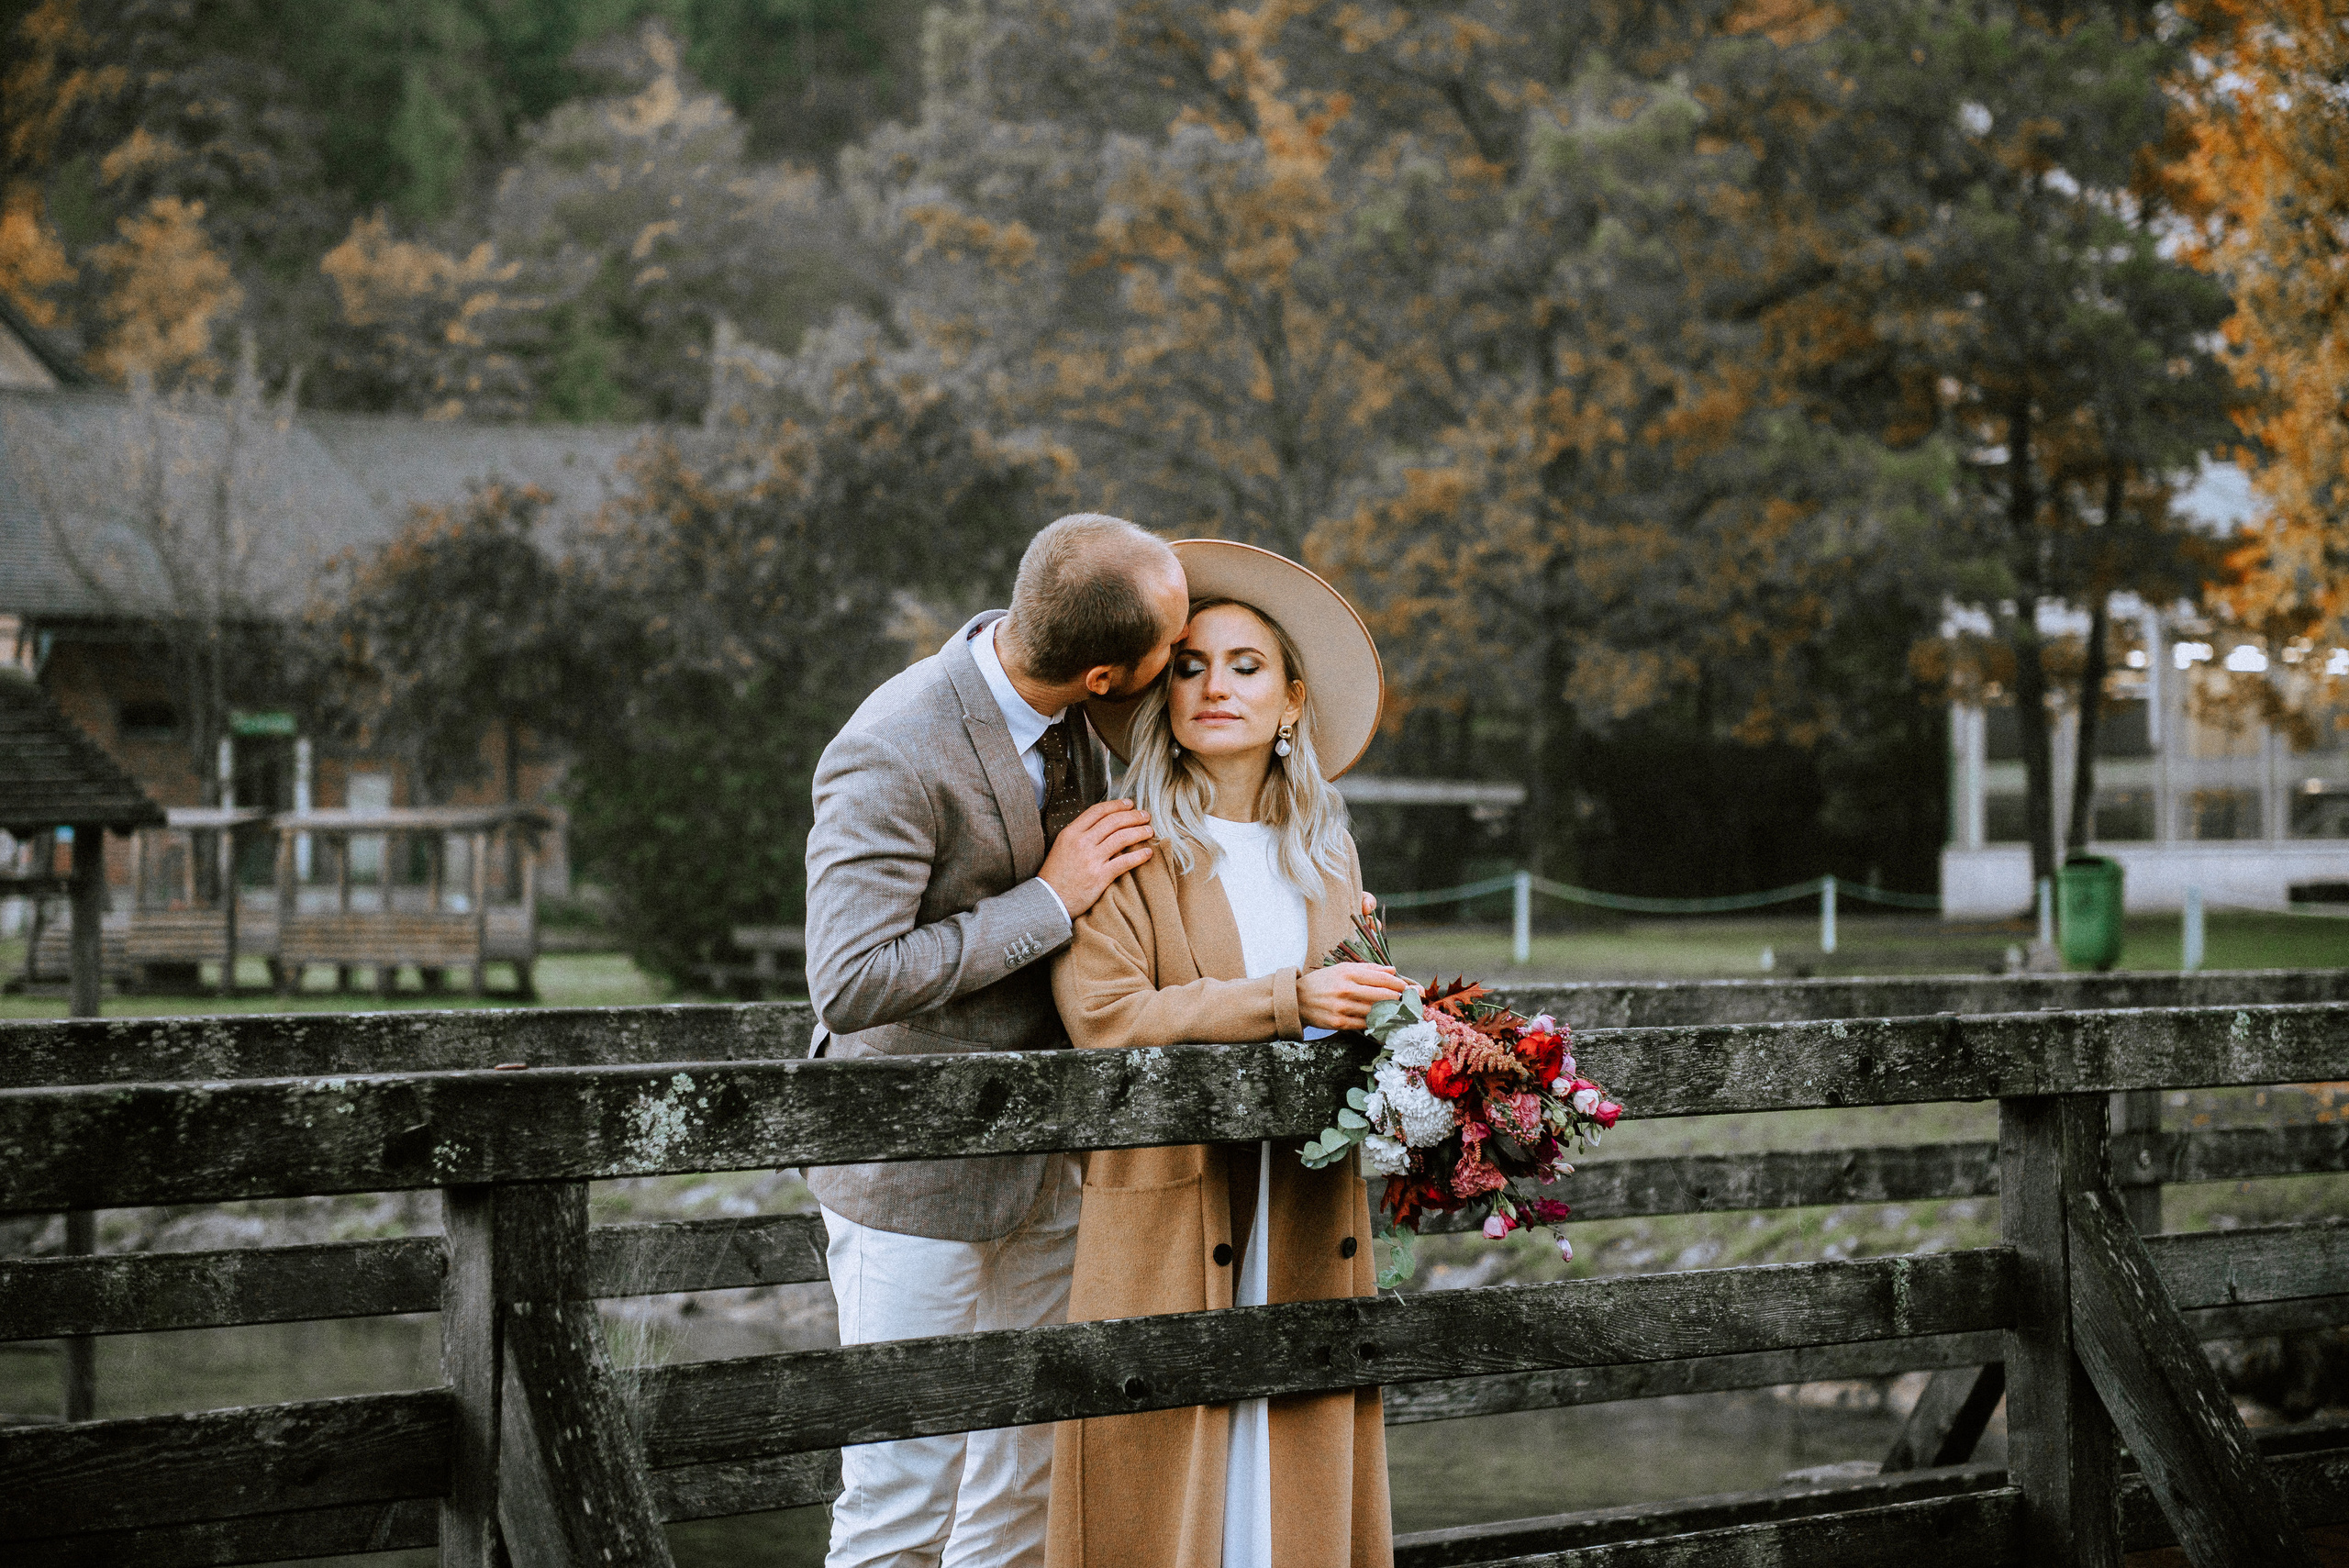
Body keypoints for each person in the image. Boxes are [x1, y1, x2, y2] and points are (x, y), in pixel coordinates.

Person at [804, 512, 1190, 1568]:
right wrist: (1048, 900)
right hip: (911, 1175)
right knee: (902, 1489)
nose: (1184, 665)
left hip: (1052, 1164)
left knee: (1021, 1477)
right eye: (1173, 651)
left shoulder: (1079, 706)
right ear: (1108, 671)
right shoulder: (890, 748)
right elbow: (848, 982)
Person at [1044, 540, 1406, 1568]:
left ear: (1292, 698)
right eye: (1192, 665)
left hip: (1300, 1208)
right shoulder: (1119, 840)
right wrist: (1287, 999)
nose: (1214, 686)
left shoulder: (1329, 857)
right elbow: (1106, 1014)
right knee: (1159, 1485)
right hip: (1173, 1203)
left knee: (1289, 1471)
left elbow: (1359, 1011)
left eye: (1245, 666)